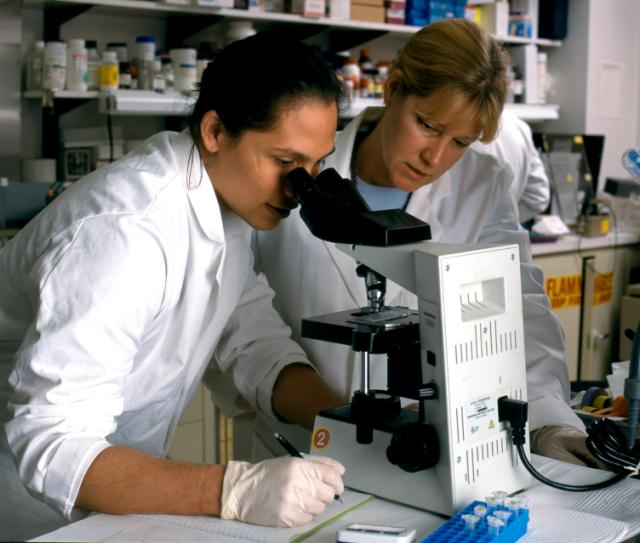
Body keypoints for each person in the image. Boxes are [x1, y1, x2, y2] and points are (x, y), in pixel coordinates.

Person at [0, 33, 346, 542]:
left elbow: (250, 339)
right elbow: (52, 444)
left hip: (115, 505)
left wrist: (349, 421)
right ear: (214, 131)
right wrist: (233, 489)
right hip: (23, 515)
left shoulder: (227, 203)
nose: (300, 190)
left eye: (317, 164)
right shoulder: (126, 230)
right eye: (285, 163)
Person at [252, 19, 597, 468]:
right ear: (393, 89)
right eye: (428, 125)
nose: (435, 158)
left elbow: (520, 313)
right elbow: (242, 315)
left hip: (421, 450)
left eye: (460, 141)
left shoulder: (483, 185)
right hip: (293, 446)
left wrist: (549, 422)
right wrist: (317, 408)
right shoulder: (296, 165)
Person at [467, 107, 550, 222]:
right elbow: (537, 198)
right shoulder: (519, 126)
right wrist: (503, 222)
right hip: (499, 235)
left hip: (453, 236)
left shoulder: (458, 118)